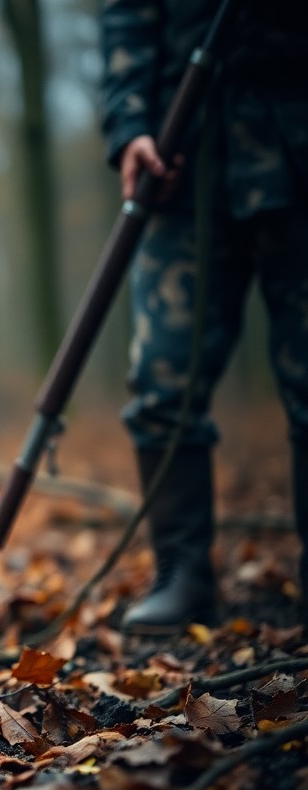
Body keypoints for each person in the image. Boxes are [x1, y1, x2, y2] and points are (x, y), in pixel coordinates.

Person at [100, 0, 308, 633]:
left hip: (296, 142)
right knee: (159, 379)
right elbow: (126, 17)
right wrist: (128, 127)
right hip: (183, 156)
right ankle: (182, 574)